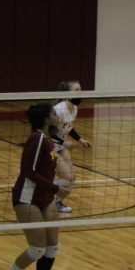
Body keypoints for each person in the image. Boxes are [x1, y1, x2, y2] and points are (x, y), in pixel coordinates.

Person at [0, 103, 68, 270]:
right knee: (37, 249)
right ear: (45, 119)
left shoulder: (49, 137)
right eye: (53, 112)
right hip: (27, 198)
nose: (56, 114)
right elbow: (29, 171)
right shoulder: (36, 139)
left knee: (52, 247)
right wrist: (56, 189)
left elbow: (51, 164)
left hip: (46, 196)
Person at [52, 80, 92, 214]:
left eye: (81, 89)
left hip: (60, 146)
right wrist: (63, 142)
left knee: (71, 178)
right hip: (50, 148)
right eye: (77, 90)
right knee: (67, 177)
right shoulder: (59, 110)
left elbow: (68, 127)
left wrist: (80, 140)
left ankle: (55, 202)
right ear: (68, 93)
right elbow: (48, 133)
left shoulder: (74, 109)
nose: (80, 92)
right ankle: (46, 198)